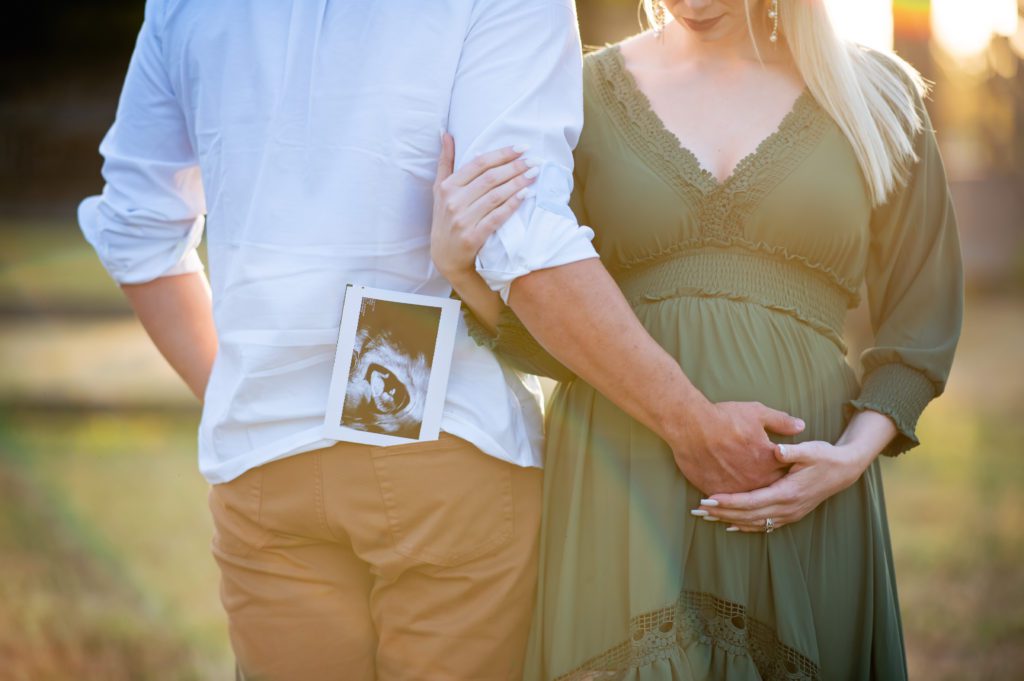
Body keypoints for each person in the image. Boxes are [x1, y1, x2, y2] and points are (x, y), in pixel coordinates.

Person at [78, 1, 805, 678]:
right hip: (443, 442)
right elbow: (518, 235)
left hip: (262, 464)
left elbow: (138, 230)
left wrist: (244, 392)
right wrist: (691, 422)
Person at [432, 0, 963, 678]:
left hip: (805, 495)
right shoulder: (577, 94)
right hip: (621, 488)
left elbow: (923, 314)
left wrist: (849, 458)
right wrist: (461, 270)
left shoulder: (877, 95)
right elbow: (559, 328)